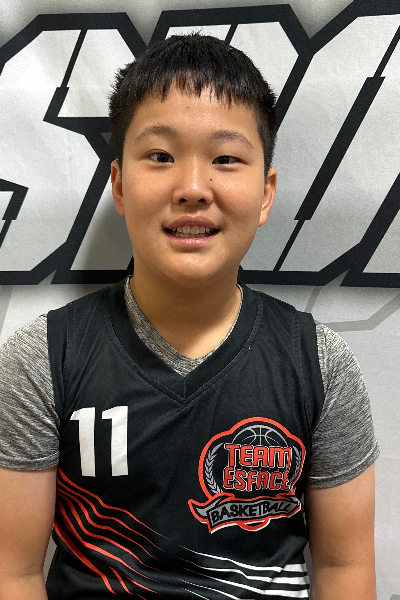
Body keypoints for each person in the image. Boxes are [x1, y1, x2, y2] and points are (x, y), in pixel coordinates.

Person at [0, 34, 379, 599]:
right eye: (160, 156)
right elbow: (13, 573)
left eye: (226, 159)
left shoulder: (320, 365)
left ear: (266, 193)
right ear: (119, 185)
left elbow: (344, 566)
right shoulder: (42, 361)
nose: (193, 189)